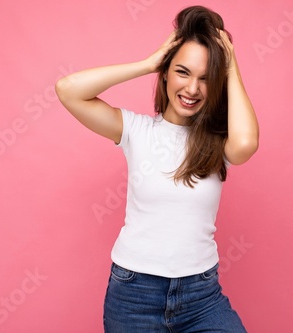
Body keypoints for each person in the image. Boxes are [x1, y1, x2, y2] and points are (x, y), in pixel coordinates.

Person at [56, 5, 259, 332]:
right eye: (182, 72)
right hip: (134, 294)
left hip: (202, 295)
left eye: (206, 79)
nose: (192, 89)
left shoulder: (219, 140)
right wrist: (149, 63)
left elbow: (246, 144)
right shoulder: (136, 131)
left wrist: (231, 66)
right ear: (165, 72)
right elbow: (69, 90)